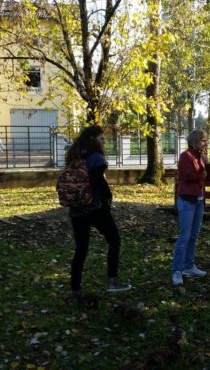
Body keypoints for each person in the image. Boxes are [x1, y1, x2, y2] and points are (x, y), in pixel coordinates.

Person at [66, 125, 131, 296]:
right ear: (94, 139)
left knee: (81, 248)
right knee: (114, 240)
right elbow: (98, 179)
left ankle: (75, 289)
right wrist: (108, 197)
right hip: (95, 207)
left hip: (77, 208)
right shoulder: (96, 156)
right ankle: (112, 281)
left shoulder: (74, 155)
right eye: (102, 138)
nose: (104, 141)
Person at [171, 129, 210, 286]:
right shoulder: (186, 156)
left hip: (199, 200)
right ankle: (176, 270)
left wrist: (207, 164)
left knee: (194, 235)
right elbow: (190, 176)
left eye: (205, 140)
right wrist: (202, 171)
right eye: (203, 140)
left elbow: (207, 178)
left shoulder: (200, 156)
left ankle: (188, 266)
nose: (205, 142)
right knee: (185, 235)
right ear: (195, 141)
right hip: (187, 200)